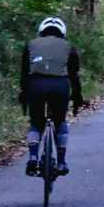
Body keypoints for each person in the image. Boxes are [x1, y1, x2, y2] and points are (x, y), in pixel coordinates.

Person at [20, 15, 85, 177]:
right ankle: (61, 162)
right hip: (60, 87)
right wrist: (77, 97)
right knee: (60, 120)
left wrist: (23, 95)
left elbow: (24, 74)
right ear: (62, 32)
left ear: (41, 31)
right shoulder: (69, 47)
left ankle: (33, 157)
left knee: (36, 122)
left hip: (36, 86)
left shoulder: (30, 45)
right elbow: (74, 75)